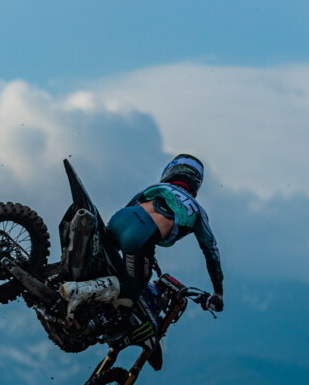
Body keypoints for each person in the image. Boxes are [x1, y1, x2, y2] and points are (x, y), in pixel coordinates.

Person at [59, 154, 224, 361]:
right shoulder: (197, 209)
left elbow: (130, 208)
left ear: (170, 170)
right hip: (141, 235)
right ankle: (78, 291)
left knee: (108, 264)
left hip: (120, 219)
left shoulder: (156, 187)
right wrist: (218, 292)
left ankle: (72, 281)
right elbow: (211, 251)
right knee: (135, 284)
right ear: (197, 182)